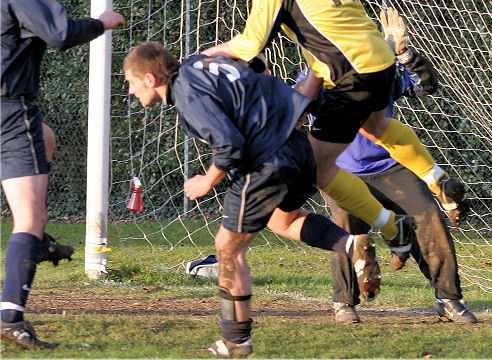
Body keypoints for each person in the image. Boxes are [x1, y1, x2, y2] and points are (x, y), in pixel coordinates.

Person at [202, 0, 470, 258]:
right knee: (377, 127)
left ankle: (391, 227)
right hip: (383, 61)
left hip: (349, 72)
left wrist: (202, 58)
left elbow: (249, 44)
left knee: (319, 166)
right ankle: (436, 178)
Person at [123, 42, 382, 358]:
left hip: (264, 162)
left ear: (150, 79)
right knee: (283, 220)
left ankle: (236, 341)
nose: (130, 90)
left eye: (131, 82)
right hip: (297, 149)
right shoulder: (200, 65)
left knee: (227, 248)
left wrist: (206, 180)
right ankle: (350, 245)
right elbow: (256, 63)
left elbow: (230, 146)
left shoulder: (186, 92)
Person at [310, 7, 477, 325]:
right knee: (345, 228)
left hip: (391, 166)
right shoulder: (319, 72)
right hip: (342, 169)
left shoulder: (383, 68)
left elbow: (428, 85)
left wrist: (406, 55)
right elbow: (296, 106)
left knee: (429, 217)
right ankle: (345, 303)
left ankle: (449, 299)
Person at [0, 0, 125, 349]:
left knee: (47, 138)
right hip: (9, 111)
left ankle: (36, 242)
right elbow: (58, 34)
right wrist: (101, 23)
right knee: (28, 221)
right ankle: (11, 317)